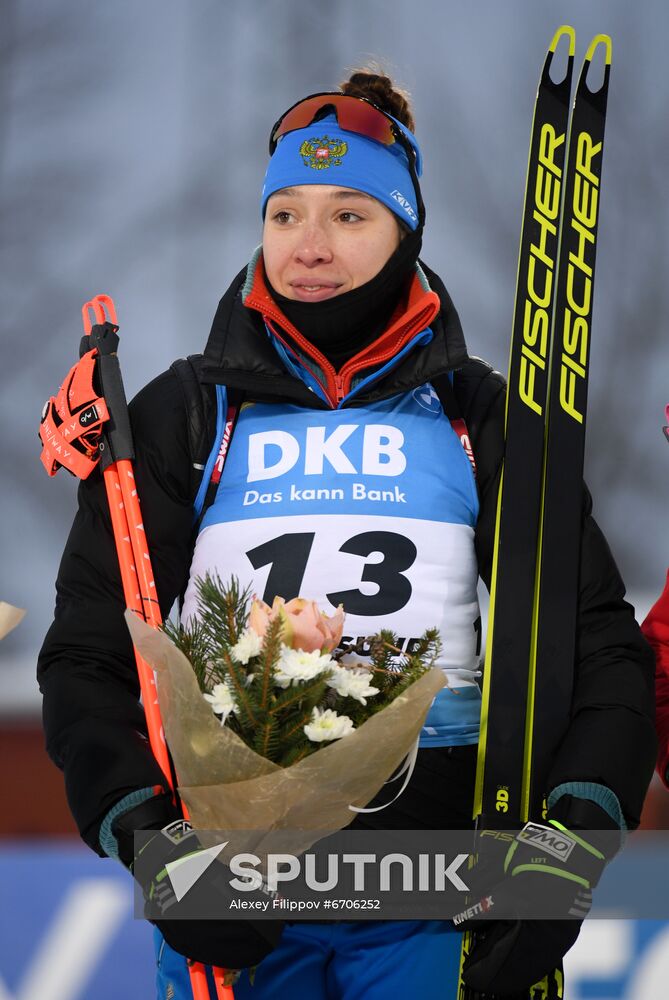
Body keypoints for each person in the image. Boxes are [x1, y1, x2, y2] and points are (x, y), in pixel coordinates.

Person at [38, 70, 656, 999]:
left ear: (406, 229)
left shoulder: (478, 415)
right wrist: (151, 843)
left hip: (437, 883)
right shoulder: (187, 416)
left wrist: (567, 844)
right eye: (284, 214)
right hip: (237, 892)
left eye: (349, 215)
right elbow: (86, 653)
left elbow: (598, 645)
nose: (309, 246)